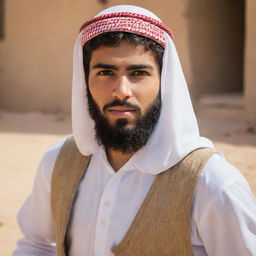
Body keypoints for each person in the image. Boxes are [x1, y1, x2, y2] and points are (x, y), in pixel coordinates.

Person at [13, 5, 256, 256]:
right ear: (84, 82)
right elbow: (37, 245)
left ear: (164, 83)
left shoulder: (213, 184)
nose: (122, 91)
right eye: (105, 72)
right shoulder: (59, 163)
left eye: (138, 73)